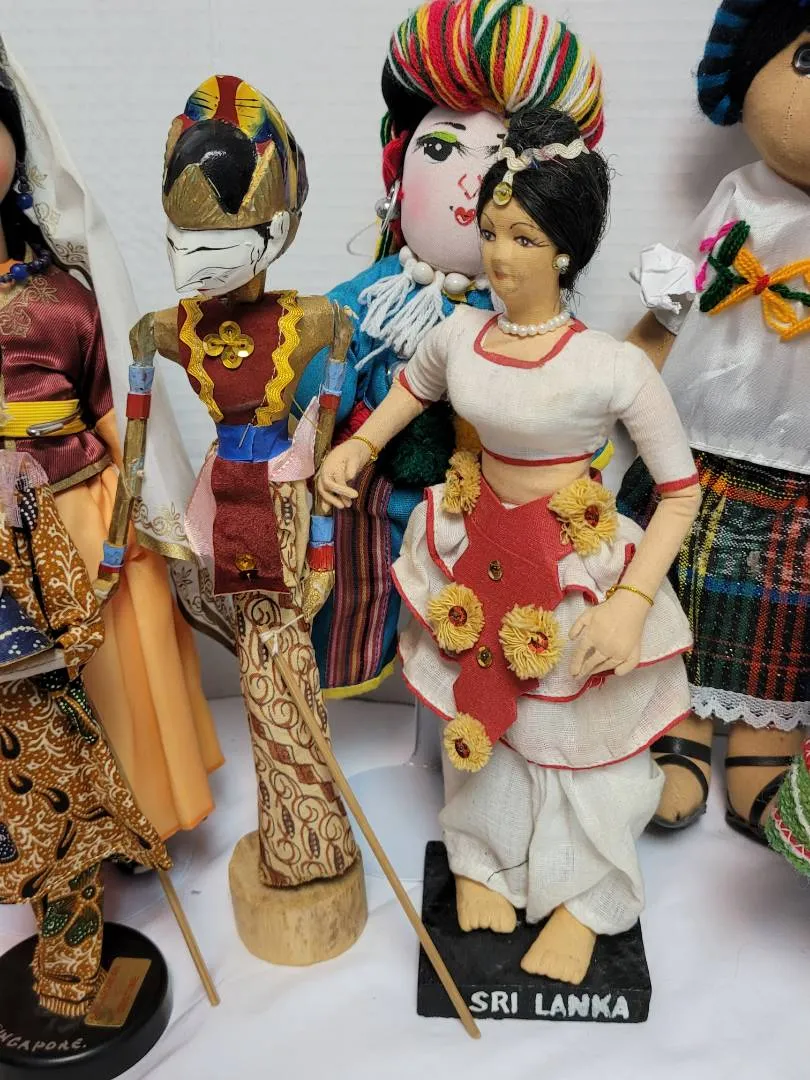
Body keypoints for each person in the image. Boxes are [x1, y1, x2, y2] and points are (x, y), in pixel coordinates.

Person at [318, 106, 701, 984]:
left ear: (566, 250)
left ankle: (585, 895)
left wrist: (632, 602)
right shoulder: (460, 335)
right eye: (491, 233)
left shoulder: (611, 365)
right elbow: (411, 389)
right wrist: (358, 446)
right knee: (482, 716)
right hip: (475, 545)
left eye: (524, 238)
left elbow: (680, 492)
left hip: (573, 569)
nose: (498, 255)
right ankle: (482, 859)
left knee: (578, 737)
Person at [295, 0, 605, 696]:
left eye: (497, 158)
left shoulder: (522, 318)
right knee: (361, 592)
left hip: (487, 506)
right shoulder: (374, 296)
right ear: (398, 176)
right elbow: (317, 369)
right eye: (441, 148)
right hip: (377, 502)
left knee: (480, 627)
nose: (471, 180)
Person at [0, 41, 223, 843]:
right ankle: (51, 843)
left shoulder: (62, 295)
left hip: (82, 509)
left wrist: (141, 504)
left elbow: (113, 407)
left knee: (115, 671)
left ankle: (136, 821)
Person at [618, 0, 810, 842]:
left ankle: (765, 745)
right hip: (699, 448)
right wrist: (631, 363)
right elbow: (677, 293)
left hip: (800, 469)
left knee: (784, 617)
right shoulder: (741, 196)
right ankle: (679, 728)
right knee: (679, 595)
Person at [0, 450, 169, 1017]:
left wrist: (64, 647)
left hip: (33, 706)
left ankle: (69, 976)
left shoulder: (12, 483)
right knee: (22, 851)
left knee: (67, 843)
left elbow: (64, 587)